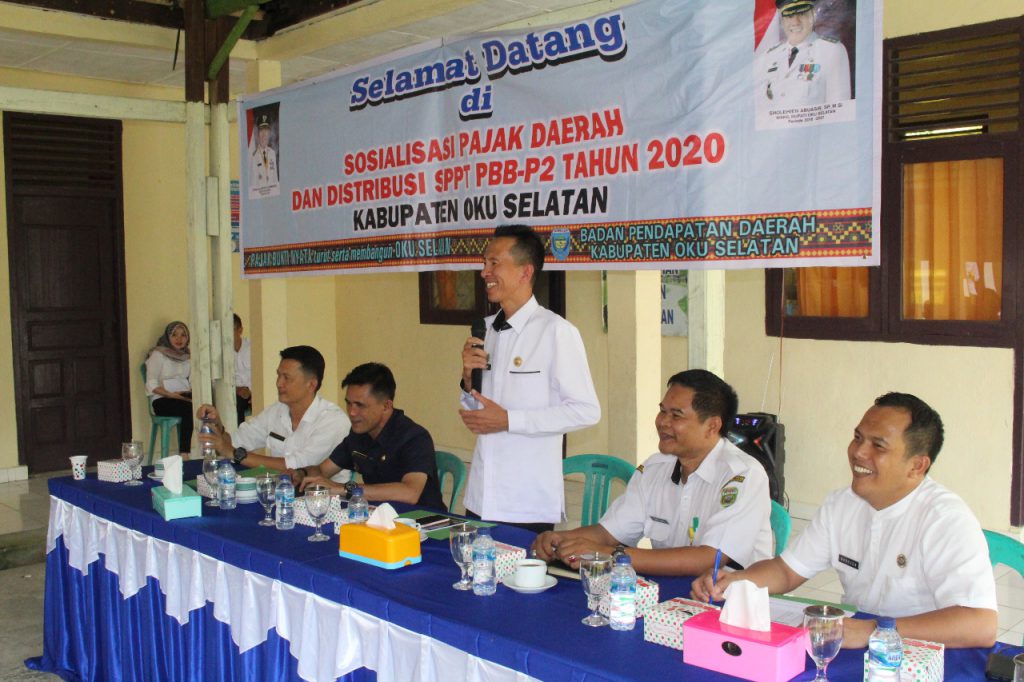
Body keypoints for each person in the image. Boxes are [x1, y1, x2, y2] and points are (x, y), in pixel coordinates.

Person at [692, 393, 998, 649]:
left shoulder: (945, 520)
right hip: (856, 645)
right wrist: (738, 581)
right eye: (857, 437)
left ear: (917, 466)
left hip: (923, 655)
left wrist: (874, 631)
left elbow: (980, 625)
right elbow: (786, 571)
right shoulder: (842, 504)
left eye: (878, 446)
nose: (858, 452)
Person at [531, 370, 773, 576]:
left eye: (676, 415)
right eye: (662, 411)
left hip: (729, 602)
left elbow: (709, 558)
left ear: (712, 426)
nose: (662, 422)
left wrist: (611, 555)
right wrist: (561, 540)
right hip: (670, 596)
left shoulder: (743, 475)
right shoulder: (655, 468)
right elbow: (609, 532)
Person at [460, 224, 600, 533]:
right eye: (484, 262)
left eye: (494, 263)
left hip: (526, 501)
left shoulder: (556, 331)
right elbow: (478, 411)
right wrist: (468, 380)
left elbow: (586, 410)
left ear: (525, 272)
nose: (484, 272)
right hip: (481, 495)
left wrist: (509, 420)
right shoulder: (485, 330)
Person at [293, 362, 445, 510]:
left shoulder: (415, 438)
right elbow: (323, 470)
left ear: (386, 406)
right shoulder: (359, 434)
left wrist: (344, 488)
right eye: (349, 403)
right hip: (377, 517)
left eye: (360, 405)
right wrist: (301, 474)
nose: (351, 412)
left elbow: (410, 493)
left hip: (423, 520)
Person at [196, 345, 350, 477]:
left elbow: (297, 467)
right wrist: (217, 425)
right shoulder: (277, 411)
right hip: (282, 492)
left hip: (324, 497)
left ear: (311, 384)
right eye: (278, 375)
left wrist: (233, 453)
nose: (279, 383)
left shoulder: (333, 420)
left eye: (286, 378)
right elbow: (235, 442)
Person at [753, 0, 851, 109]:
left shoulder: (831, 51)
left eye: (802, 14)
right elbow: (760, 110)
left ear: (812, 16)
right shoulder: (768, 57)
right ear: (782, 21)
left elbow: (839, 110)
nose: (795, 22)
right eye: (789, 16)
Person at [144, 321, 194, 456]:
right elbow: (151, 383)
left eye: (183, 335)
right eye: (174, 335)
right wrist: (171, 395)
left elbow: (192, 380)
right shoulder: (158, 354)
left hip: (182, 396)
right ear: (167, 336)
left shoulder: (187, 356)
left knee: (205, 406)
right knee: (189, 409)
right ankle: (184, 454)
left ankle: (212, 450)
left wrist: (188, 393)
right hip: (162, 399)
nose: (179, 339)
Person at [248, 114, 279, 195]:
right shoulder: (254, 157)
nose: (264, 134)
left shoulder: (272, 154)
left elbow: (275, 179)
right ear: (258, 133)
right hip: (260, 197)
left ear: (269, 133)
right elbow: (252, 185)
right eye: (261, 130)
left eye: (266, 130)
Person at [233, 314, 252, 425]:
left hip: (254, 391)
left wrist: (252, 391)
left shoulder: (252, 347)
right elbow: (215, 380)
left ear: (240, 331)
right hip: (235, 393)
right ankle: (237, 435)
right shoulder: (220, 352)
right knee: (235, 404)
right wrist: (236, 389)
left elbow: (261, 373)